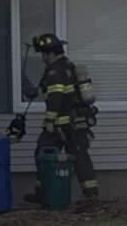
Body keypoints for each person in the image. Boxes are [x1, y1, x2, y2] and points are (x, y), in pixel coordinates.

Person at [22, 33, 99, 205]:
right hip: (74, 123)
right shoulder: (67, 66)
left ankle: (89, 195)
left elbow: (55, 99)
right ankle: (88, 195)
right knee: (77, 156)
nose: (42, 58)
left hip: (64, 125)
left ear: (50, 53)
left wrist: (49, 121)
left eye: (43, 54)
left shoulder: (55, 71)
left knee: (46, 153)